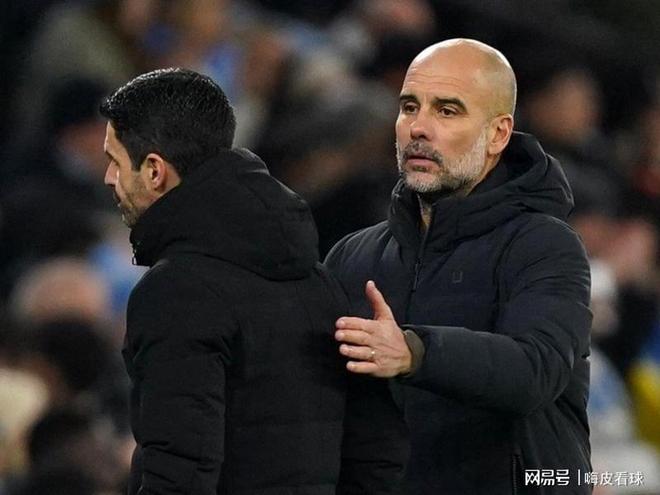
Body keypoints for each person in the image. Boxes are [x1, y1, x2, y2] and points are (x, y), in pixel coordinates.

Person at [100, 68, 406, 494]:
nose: (108, 177)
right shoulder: (319, 282)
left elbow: (179, 472)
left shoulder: (175, 291)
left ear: (154, 171)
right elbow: (373, 454)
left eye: (115, 161)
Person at [326, 39, 592, 494]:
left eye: (447, 111)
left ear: (498, 134)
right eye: (409, 107)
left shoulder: (544, 245)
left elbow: (536, 368)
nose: (418, 127)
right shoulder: (354, 256)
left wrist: (414, 352)